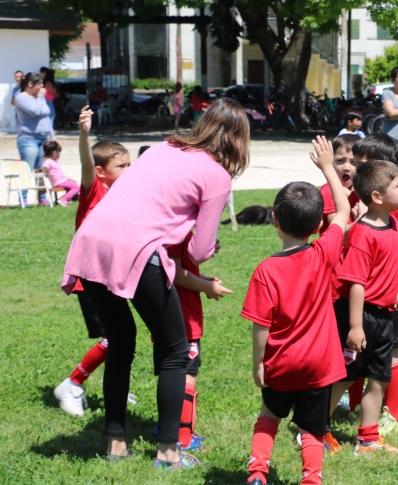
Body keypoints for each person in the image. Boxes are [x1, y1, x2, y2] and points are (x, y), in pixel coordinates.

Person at [61, 98, 250, 468]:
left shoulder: (165, 146)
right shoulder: (217, 175)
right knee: (175, 351)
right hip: (138, 251)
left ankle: (115, 444)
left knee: (121, 342)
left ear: (204, 123)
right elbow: (198, 250)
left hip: (91, 239)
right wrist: (208, 248)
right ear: (239, 141)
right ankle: (168, 452)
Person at [242, 136, 350, 485]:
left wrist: (259, 363)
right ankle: (311, 479)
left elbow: (260, 326)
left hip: (282, 362)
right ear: (320, 224)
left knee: (269, 416)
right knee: (312, 428)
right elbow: (345, 210)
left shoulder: (266, 270)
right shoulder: (324, 252)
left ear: (274, 219)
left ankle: (257, 474)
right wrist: (327, 168)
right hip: (321, 365)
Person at [335, 134, 398, 439]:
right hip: (363, 315)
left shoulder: (393, 224)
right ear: (379, 197)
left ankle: (368, 439)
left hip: (385, 312)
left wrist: (393, 292)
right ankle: (314, 428)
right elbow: (356, 283)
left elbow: (390, 266)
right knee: (345, 377)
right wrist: (355, 327)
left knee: (379, 378)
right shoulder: (363, 233)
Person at [53, 107, 131, 418]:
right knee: (115, 337)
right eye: (122, 166)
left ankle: (116, 384)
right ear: (102, 172)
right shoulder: (94, 188)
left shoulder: (124, 193)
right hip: (90, 279)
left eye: (129, 164)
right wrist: (85, 135)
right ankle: (72, 384)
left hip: (113, 277)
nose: (129, 170)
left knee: (121, 336)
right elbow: (87, 163)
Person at [167, 231, 233, 451]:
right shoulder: (178, 233)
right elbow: (175, 273)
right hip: (184, 321)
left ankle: (166, 426)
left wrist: (204, 281)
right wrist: (206, 287)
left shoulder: (175, 228)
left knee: (171, 374)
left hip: (172, 317)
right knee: (188, 376)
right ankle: (184, 436)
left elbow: (182, 270)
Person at [15, 72, 54, 204]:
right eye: (40, 83)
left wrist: (52, 135)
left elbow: (46, 117)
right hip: (28, 139)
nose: (42, 86)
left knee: (41, 170)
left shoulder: (39, 98)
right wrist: (41, 98)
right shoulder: (21, 98)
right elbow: (35, 111)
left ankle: (42, 199)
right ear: (30, 84)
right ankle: (23, 199)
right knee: (28, 169)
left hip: (43, 138)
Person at [319, 134, 360, 233]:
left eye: (353, 162)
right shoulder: (328, 190)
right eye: (340, 161)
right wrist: (363, 220)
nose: (346, 167)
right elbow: (339, 230)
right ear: (331, 162)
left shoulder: (361, 190)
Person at [41, 140, 81, 206]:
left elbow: (60, 174)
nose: (59, 155)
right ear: (54, 153)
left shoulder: (54, 161)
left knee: (74, 184)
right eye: (58, 153)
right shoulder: (48, 162)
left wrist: (68, 178)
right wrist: (45, 177)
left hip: (61, 181)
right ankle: (64, 199)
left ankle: (63, 199)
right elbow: (44, 171)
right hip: (58, 182)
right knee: (77, 187)